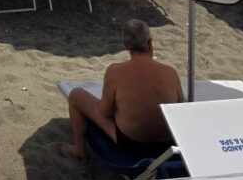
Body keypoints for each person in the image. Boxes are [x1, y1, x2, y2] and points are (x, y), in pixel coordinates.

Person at [60, 19, 184, 164]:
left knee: (76, 95)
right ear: (150, 43)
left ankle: (79, 151)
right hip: (166, 144)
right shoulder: (170, 72)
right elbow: (180, 111)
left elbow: (105, 111)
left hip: (132, 144)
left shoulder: (115, 71)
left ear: (125, 45)